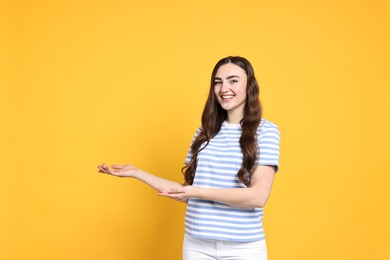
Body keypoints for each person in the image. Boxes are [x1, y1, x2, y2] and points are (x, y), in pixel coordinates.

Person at [97, 56, 280, 260]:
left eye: (233, 80)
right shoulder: (204, 133)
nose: (223, 88)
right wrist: (137, 173)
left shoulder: (266, 131)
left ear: (249, 85)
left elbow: (258, 197)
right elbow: (186, 192)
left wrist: (198, 192)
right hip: (197, 244)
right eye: (218, 82)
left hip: (244, 247)